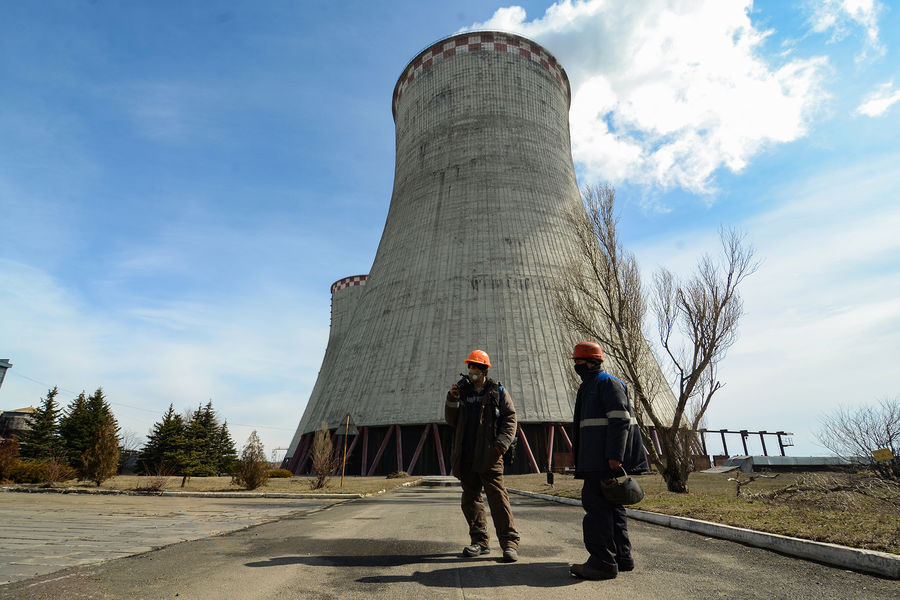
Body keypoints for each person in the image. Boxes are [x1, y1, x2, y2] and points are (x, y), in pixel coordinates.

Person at [568, 341, 649, 580]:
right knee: (613, 508)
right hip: (596, 458)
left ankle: (602, 563)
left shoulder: (607, 383)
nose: (577, 366)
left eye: (579, 361)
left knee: (597, 510)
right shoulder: (589, 386)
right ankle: (622, 558)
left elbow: (620, 420)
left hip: (603, 460)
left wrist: (615, 456)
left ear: (592, 362)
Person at [445, 349, 520, 562]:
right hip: (467, 454)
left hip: (489, 455)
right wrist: (451, 398)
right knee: (470, 499)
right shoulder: (462, 391)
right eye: (470, 366)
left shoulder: (497, 391)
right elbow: (451, 420)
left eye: (476, 367)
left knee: (498, 499)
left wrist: (500, 447)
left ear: (484, 369)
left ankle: (509, 544)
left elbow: (510, 418)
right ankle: (479, 541)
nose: (472, 371)